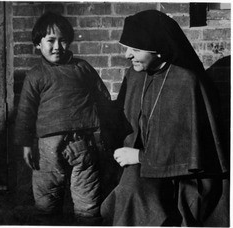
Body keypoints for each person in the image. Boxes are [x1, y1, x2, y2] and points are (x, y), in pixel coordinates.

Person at [100, 10, 229, 226]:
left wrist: (141, 157)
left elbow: (192, 152)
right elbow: (123, 123)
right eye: (127, 48)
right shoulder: (134, 74)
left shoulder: (187, 81)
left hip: (182, 177)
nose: (127, 55)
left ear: (158, 50)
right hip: (142, 165)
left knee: (134, 192)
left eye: (135, 49)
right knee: (129, 187)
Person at [14, 11, 111, 225]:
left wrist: (105, 132)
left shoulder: (82, 68)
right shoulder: (35, 75)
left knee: (88, 200)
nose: (57, 46)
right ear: (38, 44)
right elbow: (26, 112)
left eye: (63, 40)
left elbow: (102, 98)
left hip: (82, 144)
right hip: (47, 148)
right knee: (46, 200)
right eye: (51, 40)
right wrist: (26, 145)